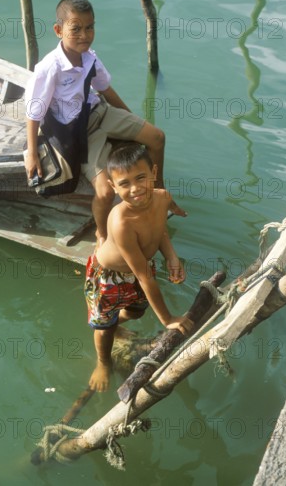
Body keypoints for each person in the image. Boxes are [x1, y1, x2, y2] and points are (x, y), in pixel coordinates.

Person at [24, 0, 186, 245]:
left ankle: (156, 193)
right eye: (75, 28)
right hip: (79, 134)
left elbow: (106, 91)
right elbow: (34, 112)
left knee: (156, 137)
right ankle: (101, 232)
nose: (84, 35)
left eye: (89, 27)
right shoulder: (49, 68)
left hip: (100, 112)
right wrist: (33, 153)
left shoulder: (90, 57)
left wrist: (132, 121)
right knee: (105, 191)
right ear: (58, 30)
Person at [84, 142, 193, 392]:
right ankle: (103, 361)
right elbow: (144, 277)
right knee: (103, 326)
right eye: (124, 184)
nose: (135, 189)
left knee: (136, 311)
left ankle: (117, 324)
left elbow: (160, 229)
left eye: (141, 178)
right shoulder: (121, 222)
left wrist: (172, 257)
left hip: (139, 267)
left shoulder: (163, 197)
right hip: (108, 277)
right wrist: (168, 319)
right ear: (113, 187)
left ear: (154, 173)